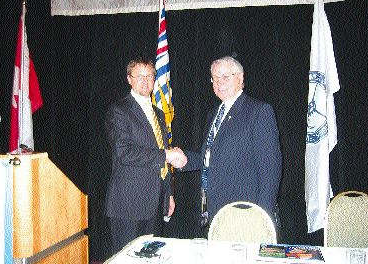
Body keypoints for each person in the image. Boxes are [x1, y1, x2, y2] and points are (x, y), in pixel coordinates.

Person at [181, 56, 282, 230]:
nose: (219, 82)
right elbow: (208, 157)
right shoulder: (213, 114)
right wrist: (184, 159)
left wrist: (261, 218)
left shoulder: (258, 111)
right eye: (215, 78)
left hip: (245, 217)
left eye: (225, 77)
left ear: (240, 78)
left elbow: (270, 171)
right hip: (214, 214)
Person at [105, 58, 187, 255]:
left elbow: (162, 158)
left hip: (155, 203)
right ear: (129, 79)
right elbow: (124, 152)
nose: (145, 81)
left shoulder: (159, 114)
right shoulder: (119, 110)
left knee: (152, 258)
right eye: (139, 76)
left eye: (149, 76)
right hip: (128, 205)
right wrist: (166, 154)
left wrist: (169, 195)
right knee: (127, 258)